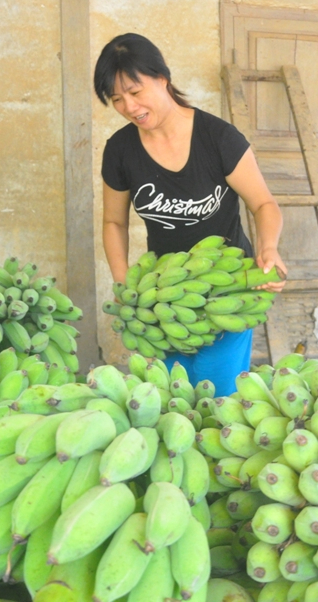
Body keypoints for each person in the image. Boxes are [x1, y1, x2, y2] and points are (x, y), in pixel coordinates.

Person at [96, 33, 286, 396]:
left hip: (225, 293)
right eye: (117, 99)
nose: (129, 107)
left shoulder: (218, 139)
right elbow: (114, 222)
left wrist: (269, 247)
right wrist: (124, 285)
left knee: (220, 402)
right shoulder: (120, 150)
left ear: (162, 78)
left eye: (135, 93)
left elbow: (263, 204)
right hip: (162, 301)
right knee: (171, 403)